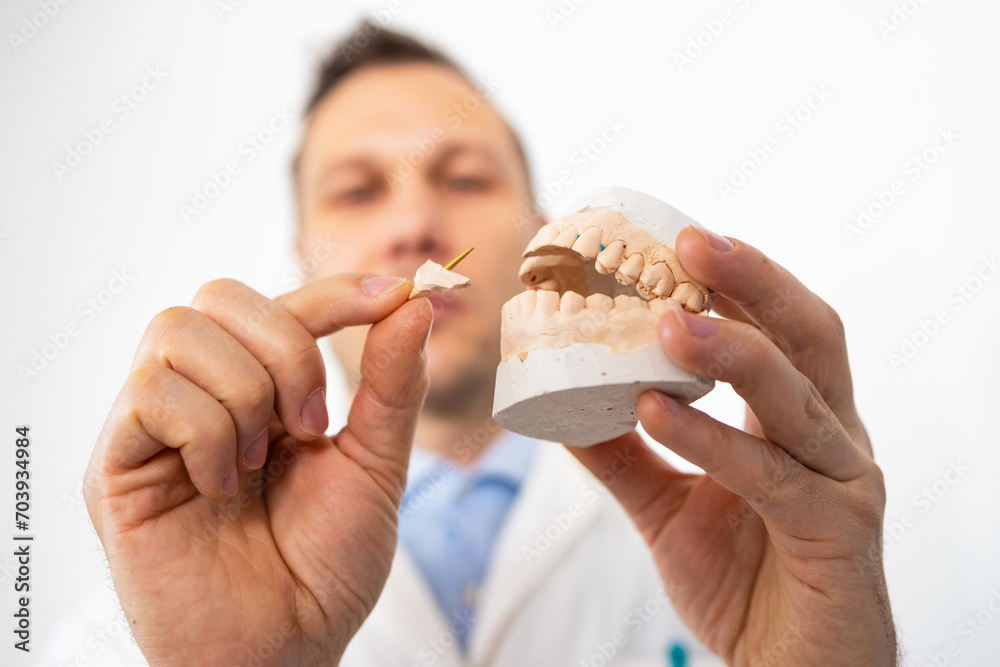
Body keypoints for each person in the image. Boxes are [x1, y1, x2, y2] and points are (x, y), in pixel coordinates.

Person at [74, 21, 896, 667]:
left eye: (465, 179)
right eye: (357, 191)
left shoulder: (742, 538)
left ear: (541, 232)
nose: (413, 224)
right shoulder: (149, 584)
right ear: (300, 252)